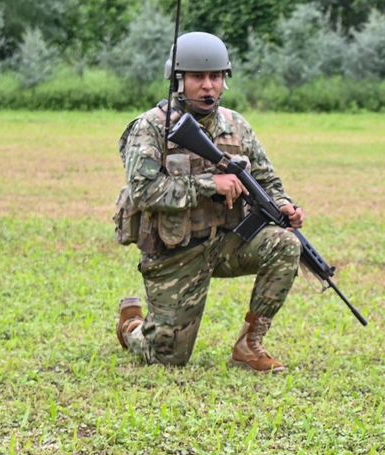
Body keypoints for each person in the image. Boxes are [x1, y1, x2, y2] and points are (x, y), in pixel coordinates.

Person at [113, 31, 304, 373]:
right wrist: (208, 184)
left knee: (287, 245)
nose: (208, 86)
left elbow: (268, 180)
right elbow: (143, 191)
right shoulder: (152, 128)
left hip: (228, 243)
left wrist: (283, 203)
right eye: (198, 77)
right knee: (167, 358)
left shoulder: (237, 126)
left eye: (216, 76)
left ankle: (249, 346)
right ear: (178, 80)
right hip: (175, 254)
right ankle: (132, 329)